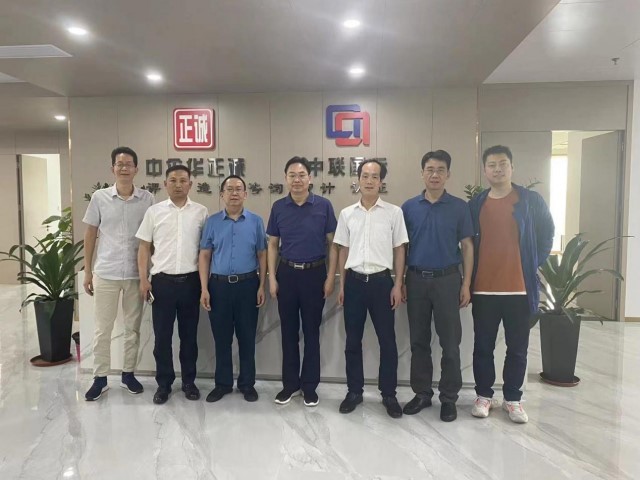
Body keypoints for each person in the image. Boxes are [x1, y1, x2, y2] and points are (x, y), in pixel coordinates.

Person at [469, 145, 554, 423]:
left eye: (503, 164)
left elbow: (547, 234)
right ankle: (484, 396)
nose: (497, 169)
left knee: (517, 348)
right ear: (485, 170)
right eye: (492, 165)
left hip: (519, 289)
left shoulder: (530, 200)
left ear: (512, 167)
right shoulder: (477, 203)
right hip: (483, 289)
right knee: (483, 346)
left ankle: (513, 399)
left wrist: (532, 262)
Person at [401, 150, 474, 422]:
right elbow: (402, 248)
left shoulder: (459, 207)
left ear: (448, 174)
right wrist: (401, 280)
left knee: (450, 343)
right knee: (418, 341)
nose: (435, 175)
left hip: (448, 280)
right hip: (416, 280)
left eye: (440, 170)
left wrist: (466, 283)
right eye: (430, 169)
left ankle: (449, 398)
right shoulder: (409, 207)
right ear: (422, 173)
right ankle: (422, 394)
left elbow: (467, 246)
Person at [334, 159, 408, 418]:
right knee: (352, 341)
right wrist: (342, 285)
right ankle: (354, 392)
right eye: (365, 176)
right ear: (358, 179)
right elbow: (343, 250)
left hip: (381, 283)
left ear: (381, 181)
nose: (369, 180)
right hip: (354, 283)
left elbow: (399, 250)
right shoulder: (347, 214)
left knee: (387, 341)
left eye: (374, 176)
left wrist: (398, 284)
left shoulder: (393, 213)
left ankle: (389, 394)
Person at [82, 146, 154, 401]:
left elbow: (151, 238)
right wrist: (87, 271)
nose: (124, 168)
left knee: (132, 328)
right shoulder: (100, 197)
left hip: (135, 274)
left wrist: (149, 273)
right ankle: (100, 378)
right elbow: (90, 234)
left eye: (129, 164)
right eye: (119, 164)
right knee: (103, 328)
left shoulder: (147, 199)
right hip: (106, 272)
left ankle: (128, 374)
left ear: (136, 169)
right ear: (112, 168)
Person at [266, 156, 338, 407]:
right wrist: (272, 278)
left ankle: (309, 387)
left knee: (311, 332)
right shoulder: (278, 207)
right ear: (286, 179)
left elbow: (333, 244)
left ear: (310, 178)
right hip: (286, 274)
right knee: (288, 333)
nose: (297, 180)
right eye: (292, 175)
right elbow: (272, 245)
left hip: (314, 275)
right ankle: (290, 385)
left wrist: (330, 277)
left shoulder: (323, 206)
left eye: (301, 175)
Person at [136, 164, 208, 405]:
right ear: (165, 184)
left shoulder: (201, 212)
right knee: (162, 339)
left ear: (191, 184)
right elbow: (144, 247)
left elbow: (205, 251)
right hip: (162, 283)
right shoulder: (154, 212)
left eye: (183, 180)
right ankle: (164, 384)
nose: (178, 185)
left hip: (190, 282)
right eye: (173, 180)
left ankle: (189, 382)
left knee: (189, 338)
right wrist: (144, 279)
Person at [198, 175, 267, 403]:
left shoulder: (256, 221)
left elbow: (262, 254)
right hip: (219, 287)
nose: (234, 193)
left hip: (248, 285)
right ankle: (223, 384)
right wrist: (204, 288)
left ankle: (247, 384)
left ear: (245, 194)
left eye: (238, 189)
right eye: (229, 189)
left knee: (247, 337)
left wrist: (262, 285)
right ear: (222, 195)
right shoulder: (212, 222)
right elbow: (205, 255)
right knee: (222, 338)